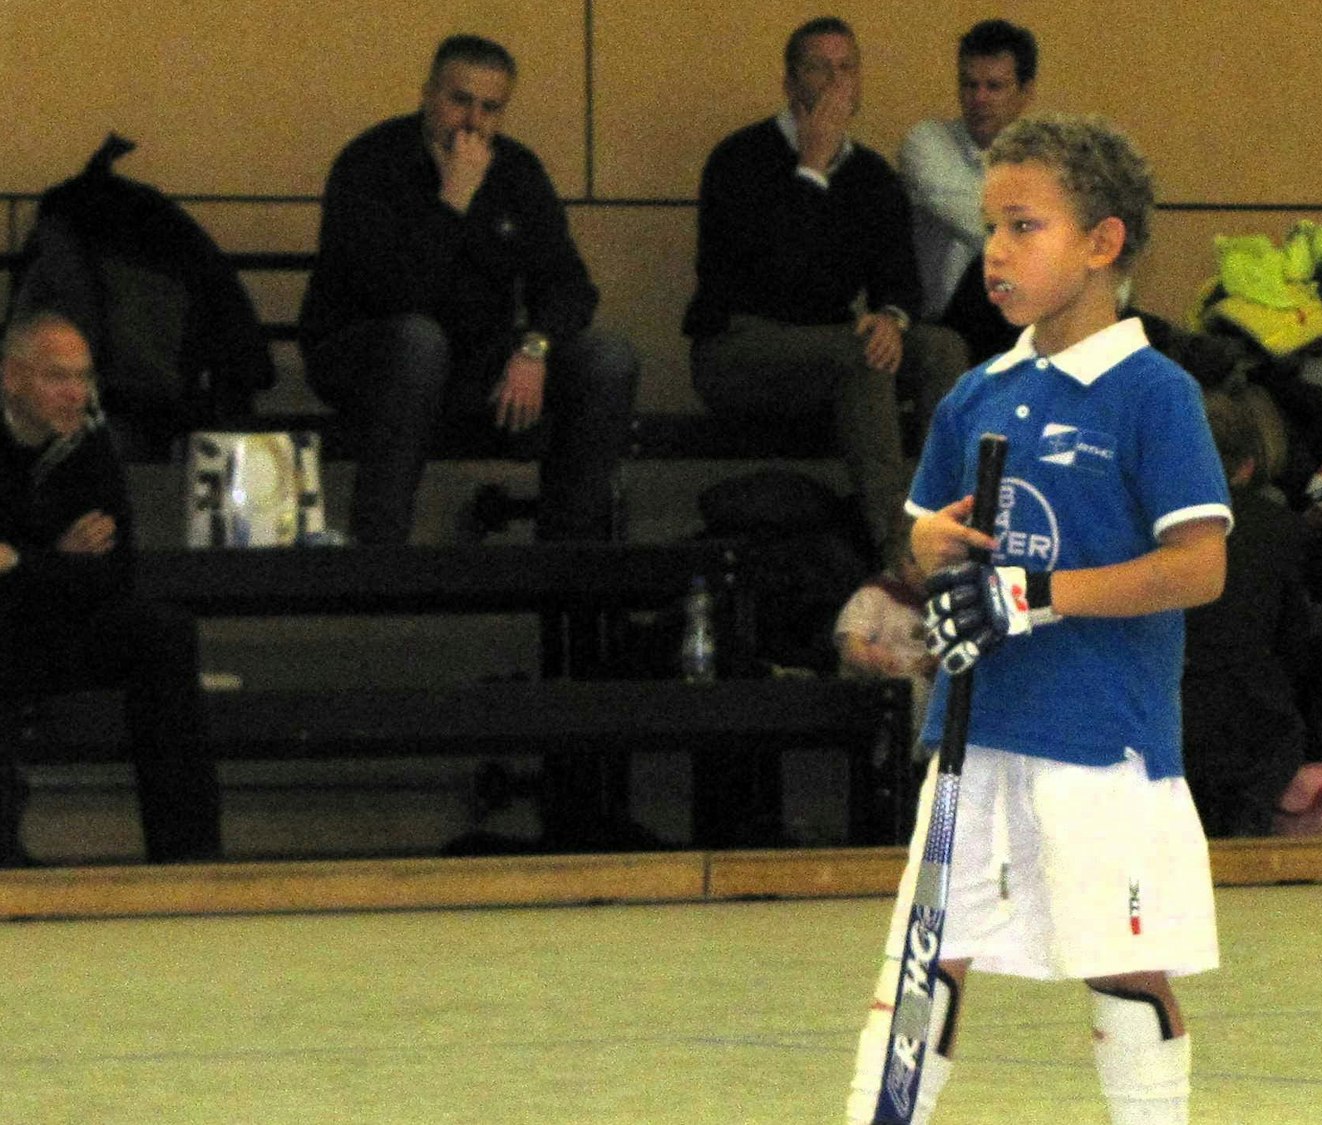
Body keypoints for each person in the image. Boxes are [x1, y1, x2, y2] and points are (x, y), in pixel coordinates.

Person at [844, 115, 1232, 1125]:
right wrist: (930, 552)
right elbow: (925, 535)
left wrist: (1040, 595)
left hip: (1099, 737)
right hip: (976, 731)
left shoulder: (1154, 394)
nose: (996, 253)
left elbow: (1197, 566)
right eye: (989, 228)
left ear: (1102, 244)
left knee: (1121, 971)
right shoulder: (977, 393)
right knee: (921, 964)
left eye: (1024, 226)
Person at [300, 34, 637, 545]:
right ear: (427, 95)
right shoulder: (370, 164)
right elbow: (393, 295)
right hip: (365, 353)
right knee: (419, 340)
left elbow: (568, 285)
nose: (473, 121)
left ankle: (571, 564)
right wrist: (452, 202)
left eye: (491, 108)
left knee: (607, 358)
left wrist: (534, 346)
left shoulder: (517, 171)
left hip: (476, 358)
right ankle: (378, 553)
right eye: (460, 101)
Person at [684, 17, 968, 566]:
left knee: (943, 349)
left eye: (847, 69)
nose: (836, 82)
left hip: (832, 345)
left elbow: (901, 282)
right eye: (819, 68)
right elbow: (772, 277)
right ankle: (898, 551)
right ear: (790, 83)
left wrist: (891, 316)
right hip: (738, 349)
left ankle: (942, 521)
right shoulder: (738, 159)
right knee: (859, 355)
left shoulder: (870, 176)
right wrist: (811, 169)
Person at [0, 310, 221, 865]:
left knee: (162, 633)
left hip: (55, 624)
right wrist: (57, 558)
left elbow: (113, 573)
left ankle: (187, 859)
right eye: (58, 377)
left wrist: (25, 563)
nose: (76, 393)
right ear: (11, 377)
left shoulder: (89, 442)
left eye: (85, 377)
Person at [1180, 386, 1313, 838]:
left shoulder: (1143, 524)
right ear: (1249, 466)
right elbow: (1295, 640)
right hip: (1250, 716)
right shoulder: (1277, 528)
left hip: (1166, 708)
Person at [899, 19, 1038, 363]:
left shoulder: (1043, 159)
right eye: (969, 85)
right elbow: (973, 219)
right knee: (995, 260)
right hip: (946, 317)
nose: (979, 99)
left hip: (1022, 303)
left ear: (1025, 93)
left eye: (994, 87)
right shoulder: (927, 142)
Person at [833, 548, 936, 747]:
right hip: (877, 694)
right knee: (913, 691)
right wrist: (870, 657)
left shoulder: (937, 605)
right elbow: (851, 646)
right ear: (906, 562)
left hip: (923, 691)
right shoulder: (873, 596)